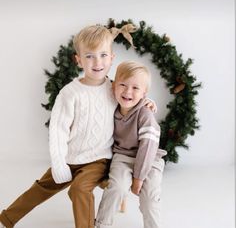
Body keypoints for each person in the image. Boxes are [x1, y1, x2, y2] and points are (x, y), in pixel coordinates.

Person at [0, 25, 156, 228]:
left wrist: (149, 102)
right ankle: (6, 218)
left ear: (111, 58)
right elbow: (58, 130)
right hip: (70, 157)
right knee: (40, 188)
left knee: (79, 189)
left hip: (98, 160)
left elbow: (132, 97)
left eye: (102, 55)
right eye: (89, 56)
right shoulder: (70, 93)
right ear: (79, 60)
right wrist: (59, 163)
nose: (97, 62)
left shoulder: (114, 88)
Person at [95, 61, 167, 228]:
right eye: (123, 85)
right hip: (123, 156)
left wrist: (138, 178)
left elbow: (148, 148)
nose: (128, 91)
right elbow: (97, 85)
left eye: (135, 88)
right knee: (117, 187)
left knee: (150, 197)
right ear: (113, 86)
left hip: (150, 159)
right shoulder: (111, 106)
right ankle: (101, 224)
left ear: (144, 93)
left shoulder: (145, 114)